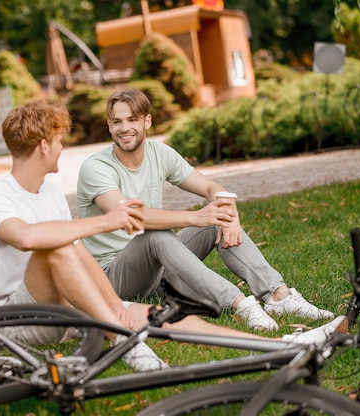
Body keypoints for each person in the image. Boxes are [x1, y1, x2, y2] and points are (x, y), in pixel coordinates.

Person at [0, 101, 346, 374]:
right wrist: (106, 224)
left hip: (72, 304)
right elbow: (26, 238)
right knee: (55, 250)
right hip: (17, 317)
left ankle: (284, 346)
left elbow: (75, 250)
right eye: (58, 140)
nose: (61, 148)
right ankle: (123, 340)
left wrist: (111, 299)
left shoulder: (50, 192)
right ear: (43, 146)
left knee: (162, 319)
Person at [77, 88, 336, 332]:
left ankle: (277, 295)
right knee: (156, 233)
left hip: (157, 270)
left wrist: (228, 213)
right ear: (109, 126)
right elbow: (131, 216)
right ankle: (239, 304)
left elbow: (212, 187)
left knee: (215, 219)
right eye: (117, 122)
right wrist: (195, 216)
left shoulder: (160, 153)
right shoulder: (96, 167)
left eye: (132, 120)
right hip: (112, 278)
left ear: (147, 121)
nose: (124, 128)